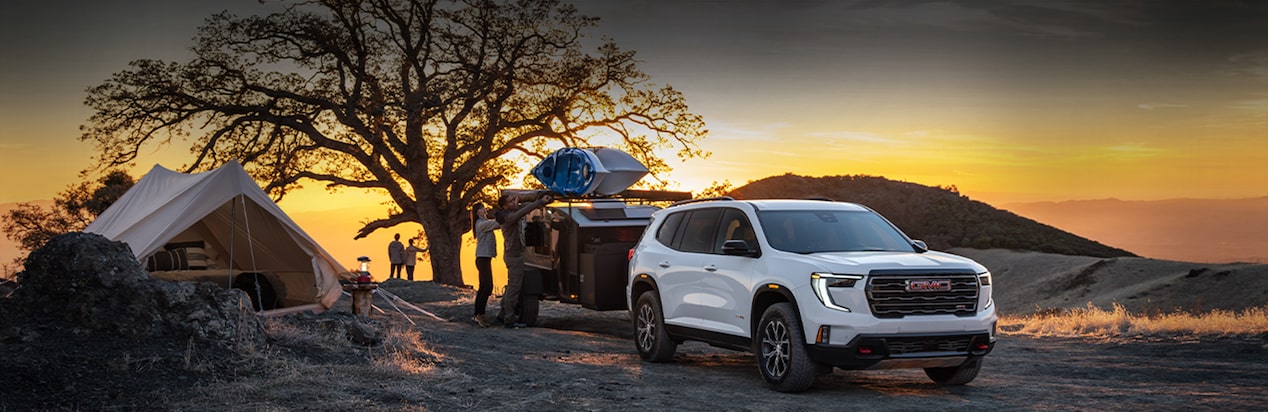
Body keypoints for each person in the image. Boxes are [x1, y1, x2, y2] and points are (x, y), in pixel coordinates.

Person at [495, 192, 552, 328]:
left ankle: (503, 314)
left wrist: (537, 199)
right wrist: (539, 203)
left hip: (515, 255)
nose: (513, 203)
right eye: (510, 202)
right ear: (504, 206)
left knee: (512, 286)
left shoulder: (510, 213)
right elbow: (522, 212)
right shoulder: (508, 218)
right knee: (514, 288)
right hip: (514, 257)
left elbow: (526, 205)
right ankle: (509, 319)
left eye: (513, 200)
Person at [470, 203, 499, 327]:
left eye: (483, 208)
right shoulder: (481, 224)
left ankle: (478, 313)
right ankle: (479, 314)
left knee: (485, 286)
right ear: (477, 212)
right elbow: (496, 224)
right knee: (487, 286)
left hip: (485, 258)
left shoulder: (484, 222)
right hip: (482, 258)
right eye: (481, 208)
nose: (484, 209)